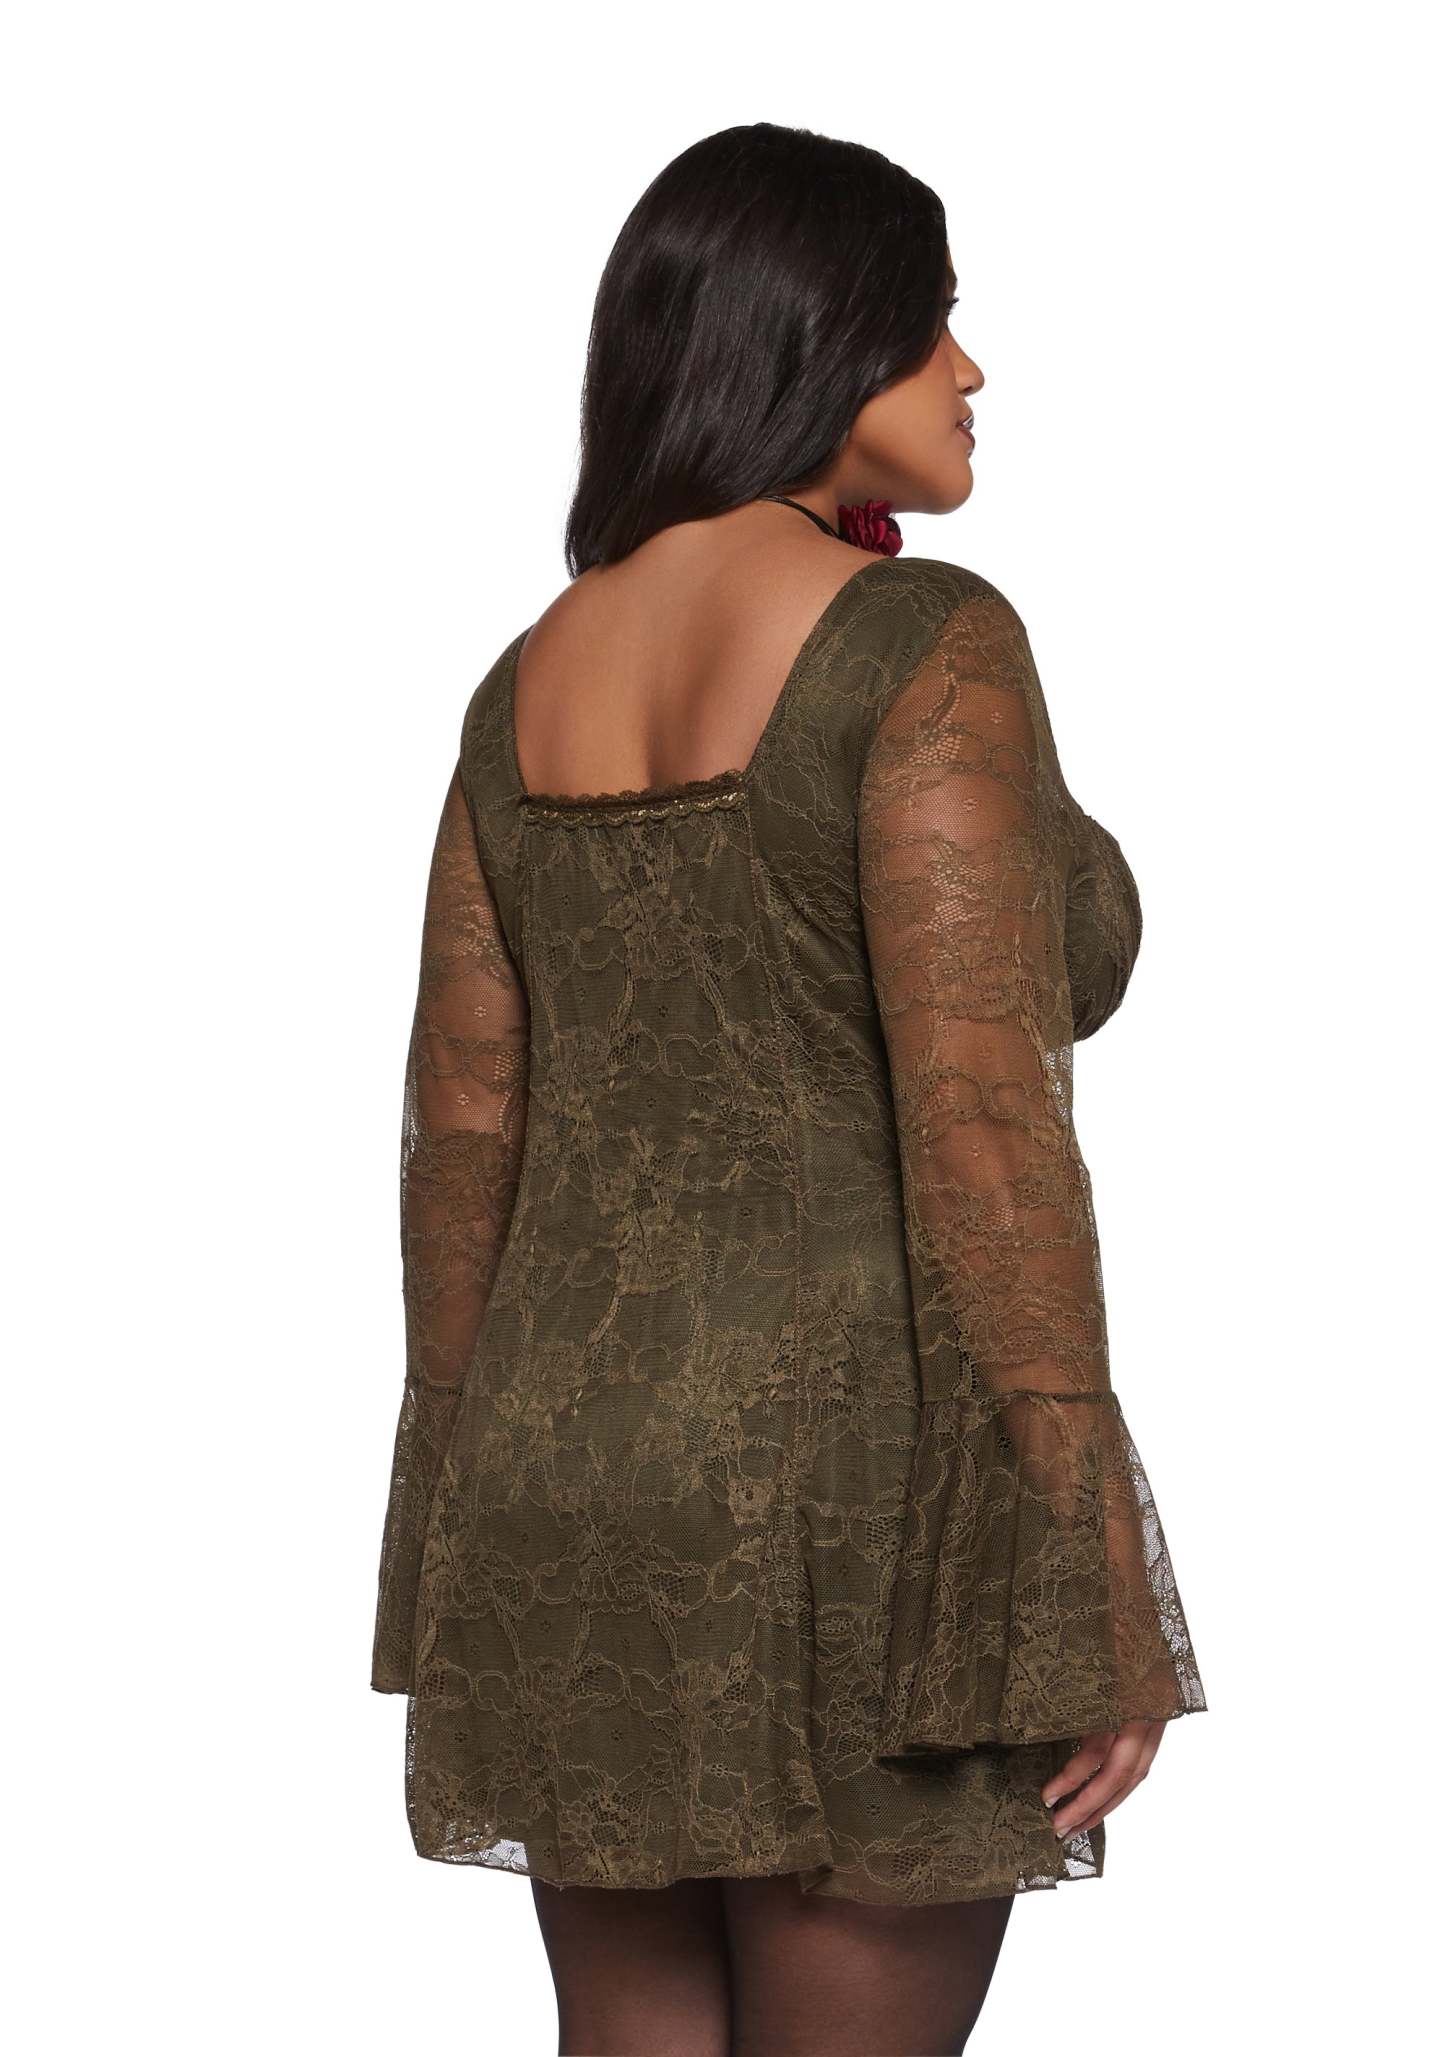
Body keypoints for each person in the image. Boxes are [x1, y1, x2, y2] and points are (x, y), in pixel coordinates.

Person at [369, 121, 1207, 2057]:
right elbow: (987, 1124)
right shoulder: (924, 639)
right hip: (850, 1496)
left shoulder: (524, 682)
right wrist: (1086, 1555)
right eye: (933, 323)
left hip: (568, 1481)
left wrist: (456, 1528)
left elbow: (462, 1140)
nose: (971, 369)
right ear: (816, 338)